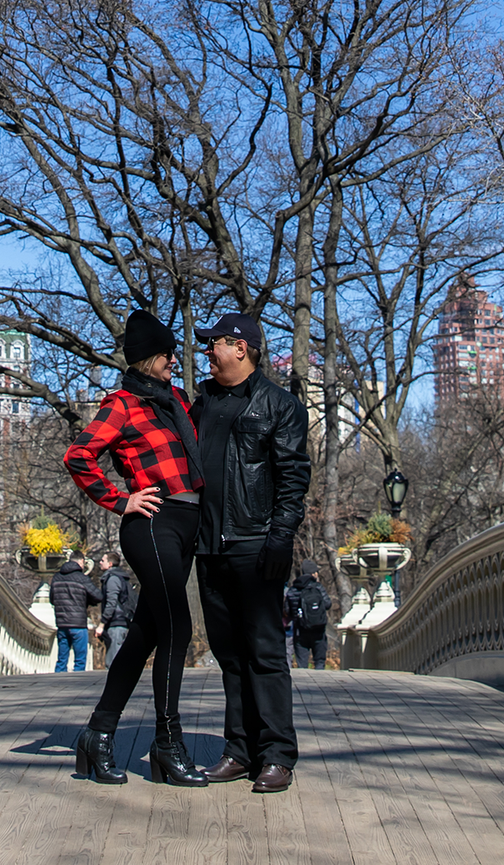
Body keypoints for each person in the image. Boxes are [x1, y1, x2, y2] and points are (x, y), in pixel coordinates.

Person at [61, 309, 210, 788]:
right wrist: (120, 499)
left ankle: (99, 734)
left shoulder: (179, 402)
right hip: (151, 522)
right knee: (178, 626)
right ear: (152, 358)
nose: (174, 363)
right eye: (168, 356)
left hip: (189, 523)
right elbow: (78, 454)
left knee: (147, 631)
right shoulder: (122, 404)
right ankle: (168, 743)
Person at [189, 311, 312, 794]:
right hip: (209, 547)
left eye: (213, 343)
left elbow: (292, 477)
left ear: (240, 347)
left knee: (263, 652)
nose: (207, 351)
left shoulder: (279, 405)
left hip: (256, 544)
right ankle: (239, 751)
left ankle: (278, 754)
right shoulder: (202, 405)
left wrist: (281, 537)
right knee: (230, 655)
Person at [48, 555, 97, 672]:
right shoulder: (82, 578)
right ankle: (77, 684)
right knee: (80, 660)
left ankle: (58, 682)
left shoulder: (57, 577)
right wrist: (86, 600)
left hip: (62, 623)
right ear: (81, 561)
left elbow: (52, 599)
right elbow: (97, 596)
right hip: (78, 623)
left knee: (61, 659)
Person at [98, 551, 139, 665]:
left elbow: (111, 603)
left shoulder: (112, 579)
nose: (100, 563)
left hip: (116, 624)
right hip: (121, 623)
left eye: (103, 560)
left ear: (110, 564)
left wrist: (102, 624)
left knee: (113, 662)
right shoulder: (121, 577)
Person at [286, 568, 330, 671]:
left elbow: (288, 611)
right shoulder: (318, 587)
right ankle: (320, 684)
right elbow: (328, 604)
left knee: (302, 665)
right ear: (313, 573)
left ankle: (304, 686)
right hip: (318, 629)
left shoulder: (293, 589)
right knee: (319, 661)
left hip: (300, 631)